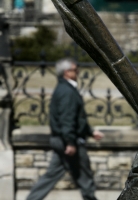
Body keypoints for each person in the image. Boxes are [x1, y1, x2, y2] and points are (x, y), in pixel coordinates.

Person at [26, 58, 104, 200]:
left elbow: (76, 118)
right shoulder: (67, 92)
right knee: (84, 177)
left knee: (51, 175)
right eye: (75, 69)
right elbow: (67, 119)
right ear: (66, 72)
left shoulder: (65, 89)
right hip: (68, 142)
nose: (78, 72)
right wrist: (70, 142)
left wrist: (91, 132)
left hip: (61, 140)